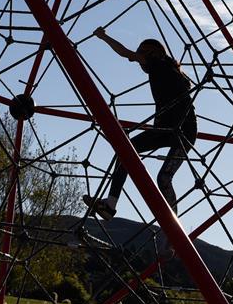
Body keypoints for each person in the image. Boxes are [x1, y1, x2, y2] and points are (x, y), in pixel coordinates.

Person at [83, 31, 197, 221]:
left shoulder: (158, 65)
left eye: (143, 53)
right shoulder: (168, 69)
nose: (139, 58)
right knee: (130, 155)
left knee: (153, 171)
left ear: (154, 53)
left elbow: (125, 53)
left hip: (181, 131)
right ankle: (111, 206)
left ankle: (172, 224)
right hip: (172, 130)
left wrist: (104, 37)